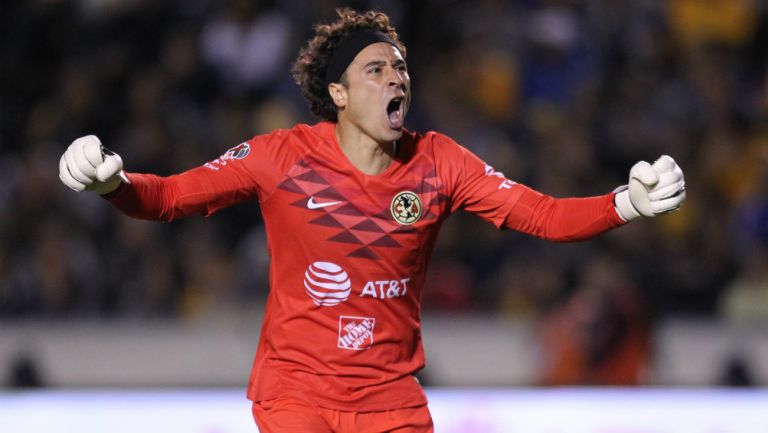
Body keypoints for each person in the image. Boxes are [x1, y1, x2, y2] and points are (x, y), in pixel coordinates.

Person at [58, 8, 686, 433]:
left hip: (391, 399)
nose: (397, 79)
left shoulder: (439, 161)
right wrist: (112, 182)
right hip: (297, 393)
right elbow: (166, 198)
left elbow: (543, 216)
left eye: (401, 68)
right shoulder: (280, 157)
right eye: (377, 69)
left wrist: (624, 204)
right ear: (338, 93)